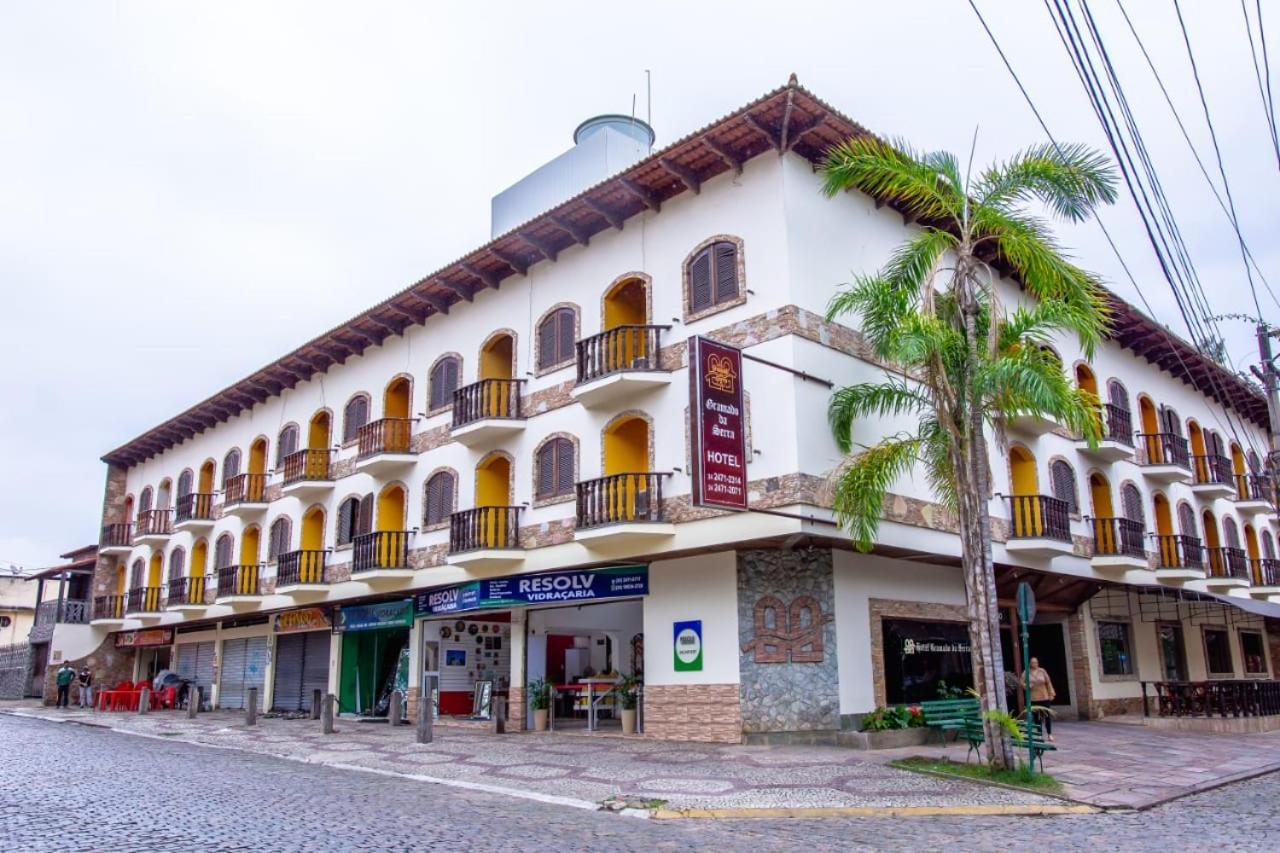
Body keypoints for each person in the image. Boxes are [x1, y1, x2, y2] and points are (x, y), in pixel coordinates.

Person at [1027, 656, 1056, 742]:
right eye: (1033, 663)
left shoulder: (1042, 671)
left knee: (1047, 716)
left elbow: (1048, 682)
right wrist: (1027, 686)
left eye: (1036, 662)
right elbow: (1022, 682)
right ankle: (1039, 735)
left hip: (1044, 697)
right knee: (1037, 718)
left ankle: (1049, 734)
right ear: (1030, 664)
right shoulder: (1027, 672)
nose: (1035, 664)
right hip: (1034, 698)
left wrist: (1051, 693)